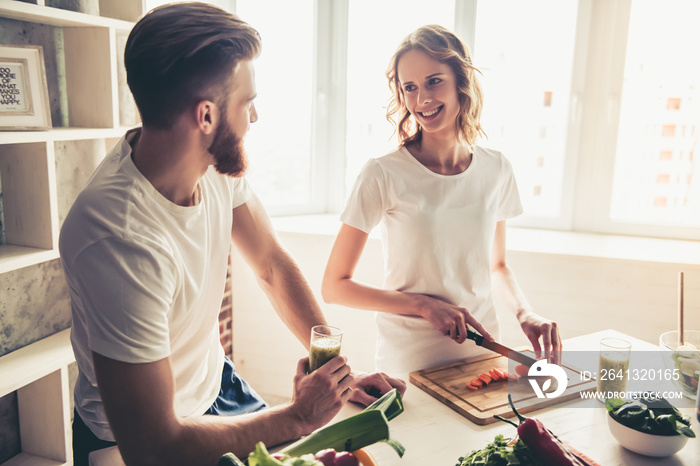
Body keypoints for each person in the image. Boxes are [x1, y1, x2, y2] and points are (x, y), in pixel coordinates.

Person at [59, 3, 404, 466]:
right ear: (206, 115)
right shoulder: (118, 238)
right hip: (132, 443)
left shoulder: (213, 163)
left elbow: (271, 266)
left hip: (216, 387)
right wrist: (301, 416)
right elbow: (154, 444)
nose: (254, 117)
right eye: (247, 103)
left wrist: (336, 372)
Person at [322, 25, 562, 378]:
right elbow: (334, 286)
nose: (421, 100)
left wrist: (525, 313)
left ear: (460, 81)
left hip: (481, 349)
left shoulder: (496, 169)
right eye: (410, 87)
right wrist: (421, 305)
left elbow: (496, 266)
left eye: (434, 81)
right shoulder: (383, 173)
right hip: (409, 360)